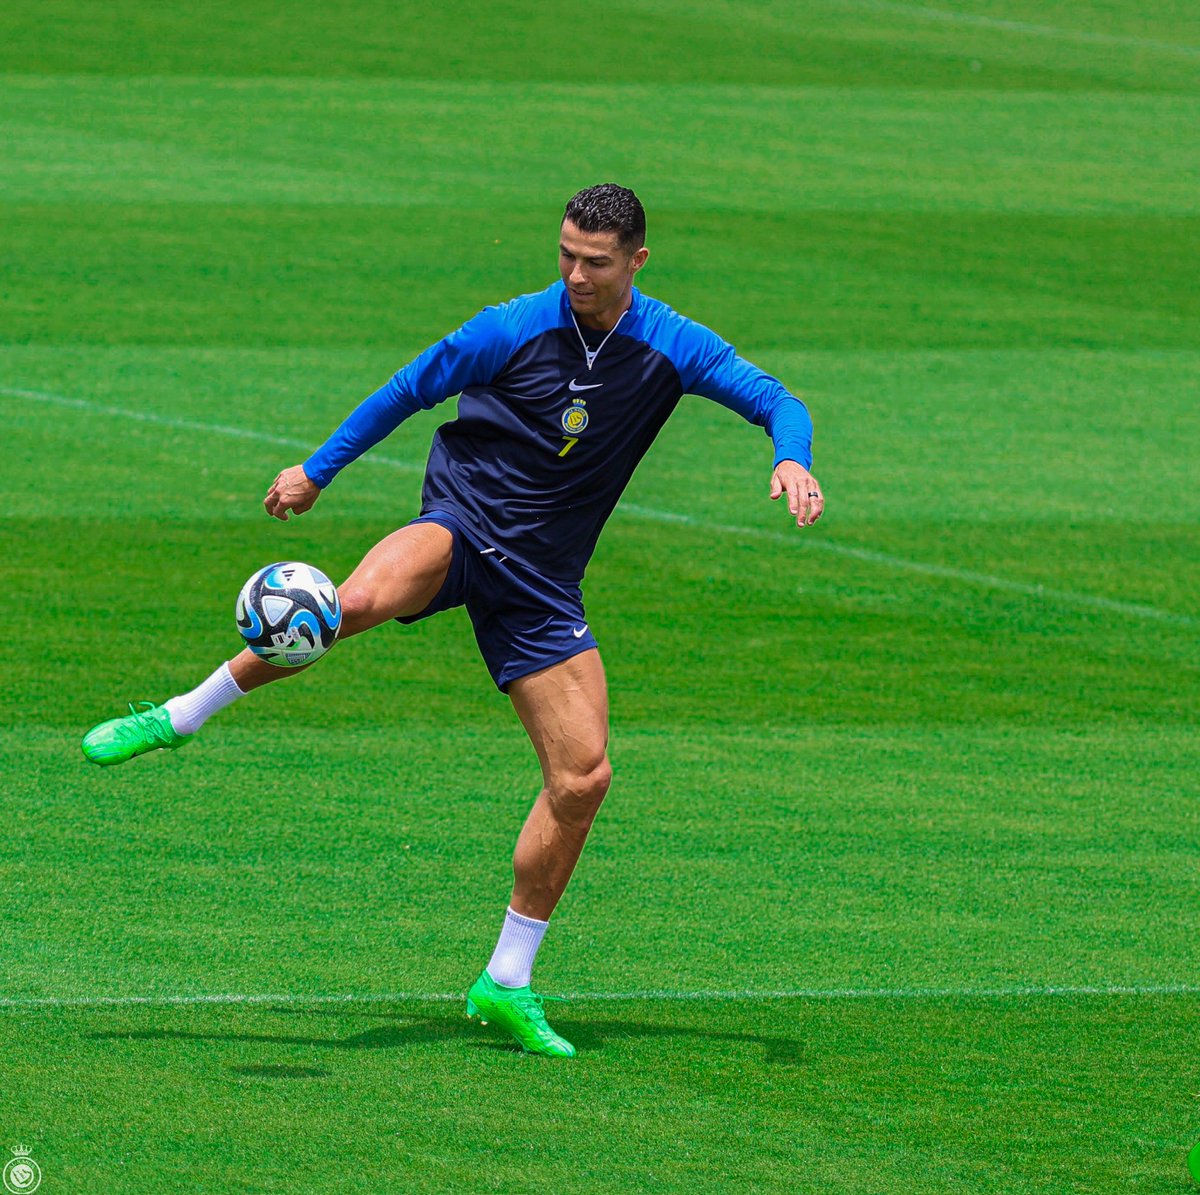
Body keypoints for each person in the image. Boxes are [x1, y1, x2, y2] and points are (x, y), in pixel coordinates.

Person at [81, 183, 824, 1058]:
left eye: (594, 261)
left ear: (635, 261)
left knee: (583, 780)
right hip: (462, 526)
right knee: (340, 607)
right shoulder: (510, 326)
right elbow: (409, 389)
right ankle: (178, 715)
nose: (575, 274)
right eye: (565, 254)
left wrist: (792, 458)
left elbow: (775, 397)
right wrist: (317, 472)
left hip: (544, 583)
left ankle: (506, 979)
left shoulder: (672, 344)